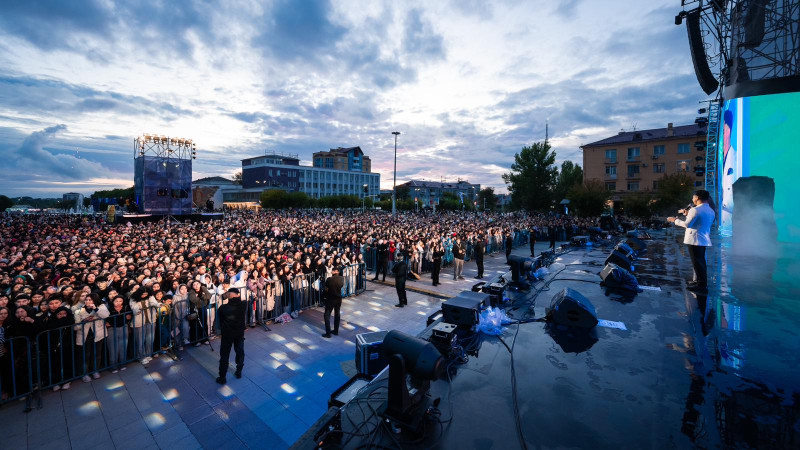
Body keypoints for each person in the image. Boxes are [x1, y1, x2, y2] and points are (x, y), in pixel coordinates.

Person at [668, 190, 715, 292]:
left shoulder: (695, 210)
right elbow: (698, 222)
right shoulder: (711, 210)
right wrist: (687, 214)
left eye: (693, 197)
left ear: (697, 198)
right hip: (703, 239)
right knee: (700, 262)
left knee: (697, 263)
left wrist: (674, 220)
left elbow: (687, 225)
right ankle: (699, 281)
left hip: (694, 240)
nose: (692, 199)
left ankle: (701, 285)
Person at [216, 288, 246, 384]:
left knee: (224, 355)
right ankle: (239, 371)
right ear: (238, 295)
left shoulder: (223, 308)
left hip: (227, 334)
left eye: (229, 293)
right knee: (239, 351)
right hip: (239, 333)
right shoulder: (243, 304)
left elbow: (219, 323)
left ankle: (222, 377)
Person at [322, 266, 345, 338]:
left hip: (330, 299)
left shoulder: (329, 279)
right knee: (337, 314)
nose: (331, 272)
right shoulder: (342, 278)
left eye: (332, 271)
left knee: (327, 315)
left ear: (335, 271)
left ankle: (328, 333)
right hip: (338, 299)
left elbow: (326, 288)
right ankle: (336, 331)